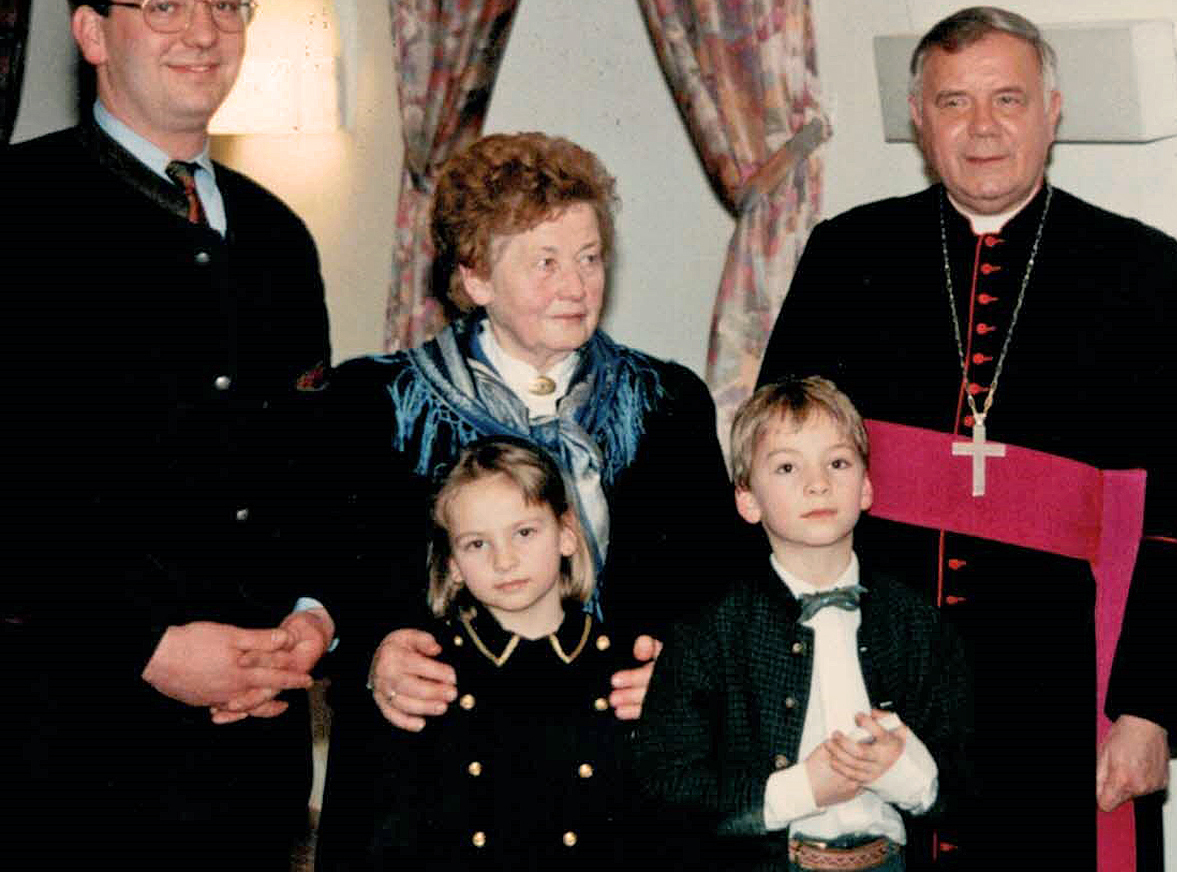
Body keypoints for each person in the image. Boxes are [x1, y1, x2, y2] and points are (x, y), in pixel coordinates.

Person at [758, 6, 1177, 870]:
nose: (982, 128)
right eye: (954, 103)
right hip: (865, 675)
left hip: (1061, 687)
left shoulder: (1141, 270)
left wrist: (1148, 708)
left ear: (1053, 111)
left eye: (1008, 100)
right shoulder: (847, 253)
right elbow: (773, 472)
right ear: (918, 119)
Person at [0, 0, 333, 869]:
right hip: (66, 751)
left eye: (224, 4)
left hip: (253, 758)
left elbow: (310, 466)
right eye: (164, 5)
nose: (203, 31)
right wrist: (139, 643)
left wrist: (313, 614)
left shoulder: (279, 236)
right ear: (92, 31)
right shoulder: (16, 212)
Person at [316, 131, 754, 867]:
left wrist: (683, 677)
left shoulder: (665, 402)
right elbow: (331, 577)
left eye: (590, 258)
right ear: (476, 278)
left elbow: (719, 590)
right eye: (545, 262)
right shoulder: (377, 401)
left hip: (613, 777)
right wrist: (370, 654)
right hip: (438, 781)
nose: (577, 286)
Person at [636, 376, 972, 872]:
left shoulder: (915, 623)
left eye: (838, 463)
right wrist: (803, 789)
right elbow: (667, 784)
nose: (818, 483)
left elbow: (967, 779)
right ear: (748, 500)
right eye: (787, 467)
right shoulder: (711, 632)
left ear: (866, 486)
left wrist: (907, 773)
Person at [352, 437, 633, 869]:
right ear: (453, 564)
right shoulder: (430, 675)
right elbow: (397, 834)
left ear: (566, 534)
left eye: (524, 533)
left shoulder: (620, 669)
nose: (504, 560)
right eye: (477, 544)